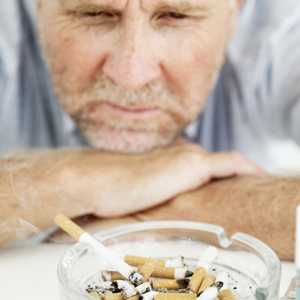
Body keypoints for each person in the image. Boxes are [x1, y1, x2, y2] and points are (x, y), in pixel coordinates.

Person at [0, 0, 299, 260]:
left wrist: (187, 207)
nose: (131, 76)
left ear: (237, 7)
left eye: (177, 15)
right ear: (37, 4)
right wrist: (71, 180)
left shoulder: (284, 29)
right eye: (92, 13)